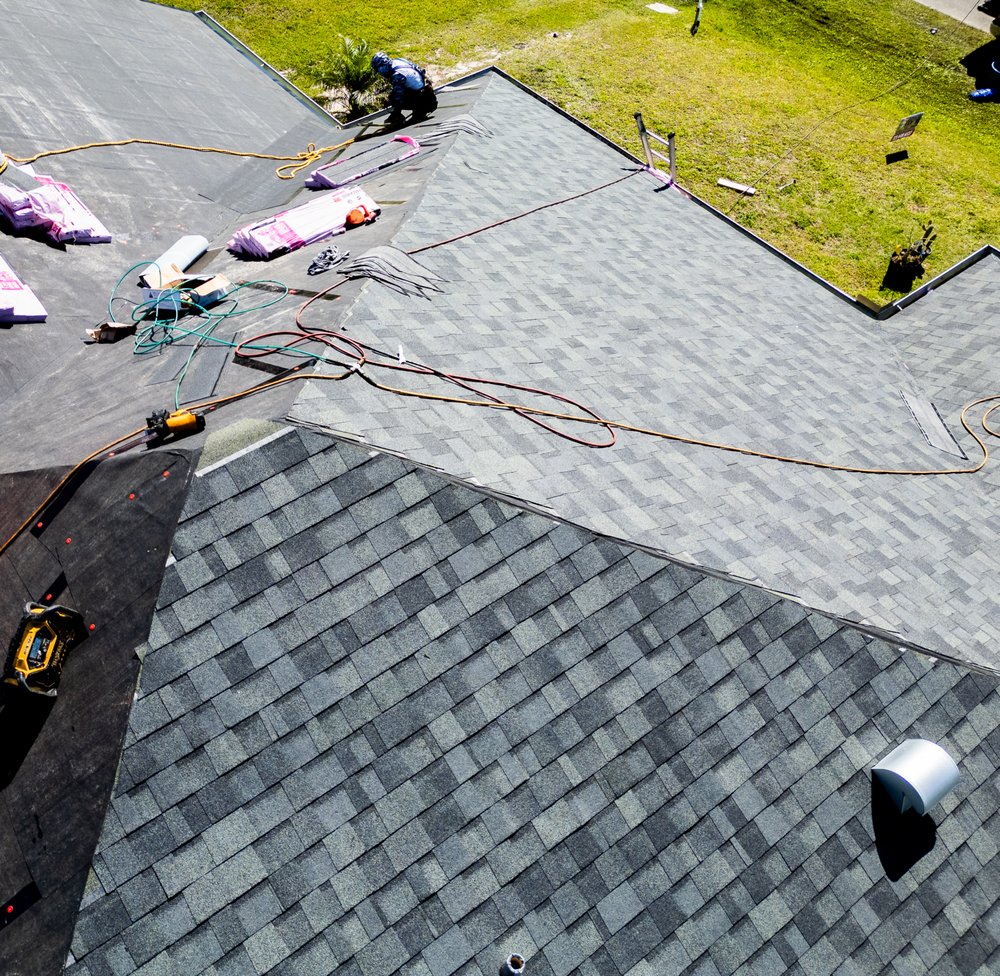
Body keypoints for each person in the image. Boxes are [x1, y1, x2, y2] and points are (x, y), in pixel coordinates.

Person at [371, 52, 437, 124]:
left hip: (426, 102)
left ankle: (414, 113)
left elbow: (398, 96)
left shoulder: (397, 75)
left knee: (392, 98)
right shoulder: (398, 61)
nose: (379, 72)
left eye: (378, 69)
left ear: (382, 66)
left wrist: (395, 112)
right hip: (428, 94)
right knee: (397, 93)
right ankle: (418, 111)